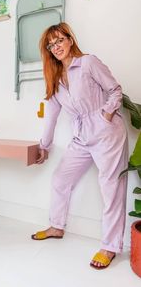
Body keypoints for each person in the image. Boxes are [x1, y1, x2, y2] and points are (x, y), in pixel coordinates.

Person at [31, 22, 128, 270]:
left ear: (70, 40)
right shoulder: (55, 79)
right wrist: (44, 146)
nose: (56, 47)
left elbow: (115, 90)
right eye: (51, 45)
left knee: (111, 189)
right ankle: (56, 226)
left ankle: (109, 246)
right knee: (61, 179)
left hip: (107, 133)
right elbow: (51, 114)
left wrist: (105, 116)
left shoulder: (88, 63)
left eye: (59, 40)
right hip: (81, 136)